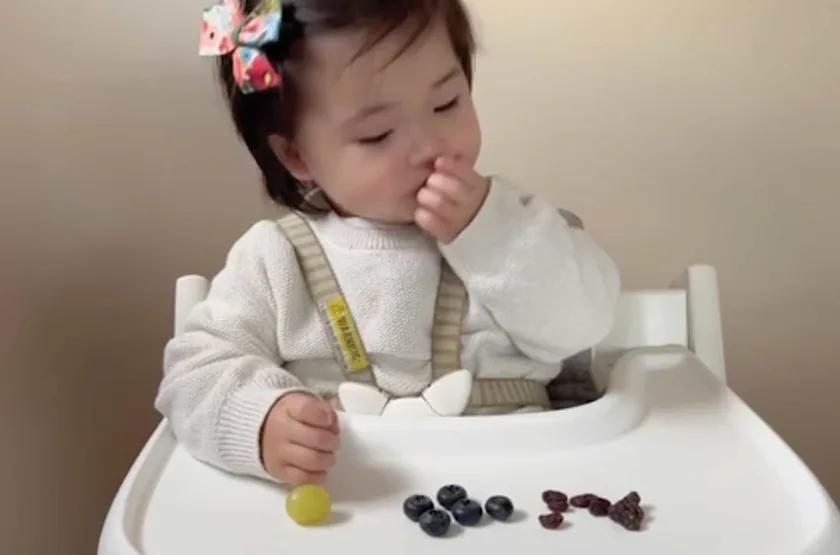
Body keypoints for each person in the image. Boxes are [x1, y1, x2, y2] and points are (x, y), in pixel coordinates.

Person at [156, 0, 621, 488]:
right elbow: (193, 374)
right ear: (296, 154)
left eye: (447, 103)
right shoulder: (277, 260)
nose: (432, 146)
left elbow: (584, 324)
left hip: (521, 493)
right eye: (378, 134)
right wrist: (260, 421)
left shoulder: (522, 230)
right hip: (354, 503)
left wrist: (491, 233)